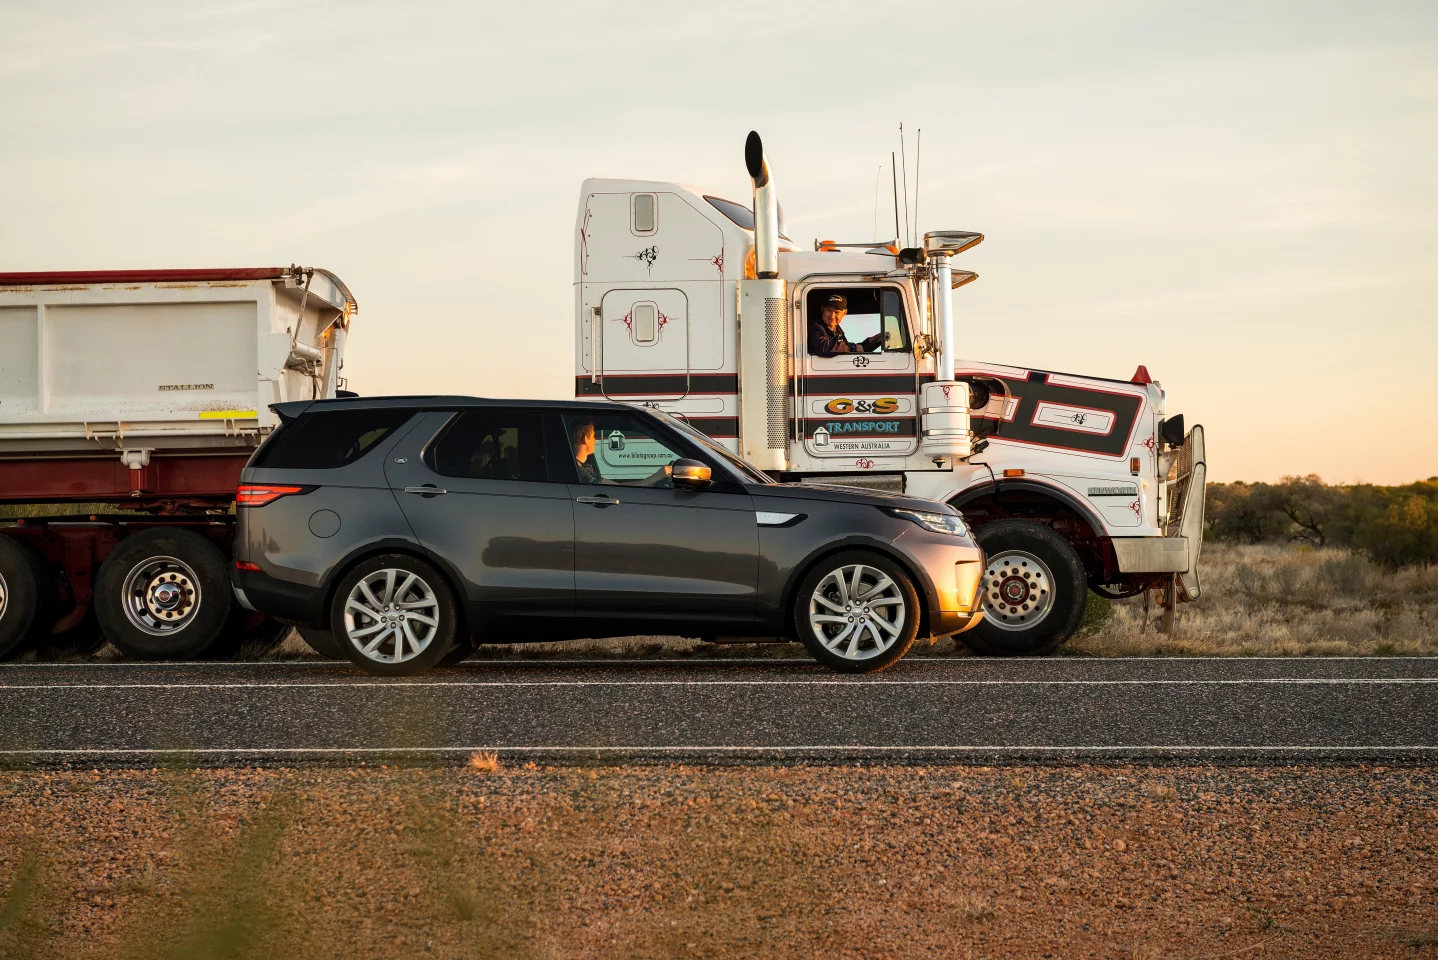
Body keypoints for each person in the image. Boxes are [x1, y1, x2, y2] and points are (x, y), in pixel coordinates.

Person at [808, 293, 883, 356]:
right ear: (822, 309)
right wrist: (853, 347)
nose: (832, 316)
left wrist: (871, 342)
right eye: (829, 310)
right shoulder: (815, 326)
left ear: (844, 313)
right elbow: (823, 348)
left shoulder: (837, 329)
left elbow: (845, 348)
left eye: (837, 312)